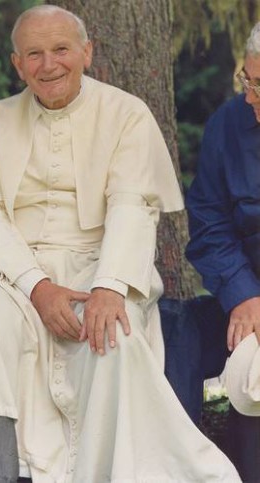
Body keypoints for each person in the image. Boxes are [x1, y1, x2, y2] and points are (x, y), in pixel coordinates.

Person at [0, 5, 240, 482]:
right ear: (17, 63)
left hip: (100, 267)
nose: (49, 65)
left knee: (114, 340)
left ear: (86, 53)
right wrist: (37, 286)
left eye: (61, 50)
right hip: (12, 274)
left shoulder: (127, 114)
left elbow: (133, 206)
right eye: (35, 54)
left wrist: (111, 286)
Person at [186, 21, 260, 483]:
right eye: (247, 80)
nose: (250, 97)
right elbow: (208, 222)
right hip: (250, 299)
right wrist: (243, 294)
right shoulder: (229, 123)